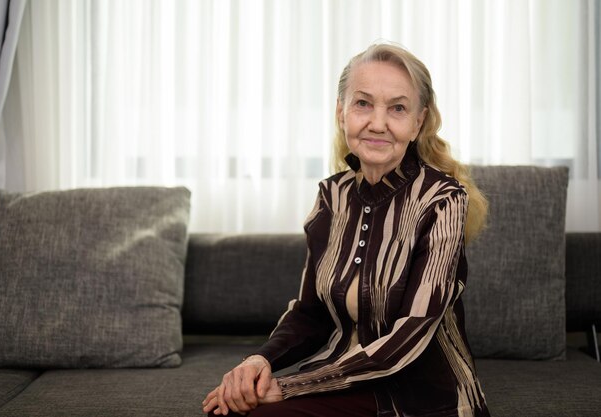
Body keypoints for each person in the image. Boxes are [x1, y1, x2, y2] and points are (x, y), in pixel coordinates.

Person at [202, 42, 490, 417]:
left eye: (398, 108)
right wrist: (258, 361)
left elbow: (411, 336)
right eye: (363, 103)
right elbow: (311, 313)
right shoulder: (331, 196)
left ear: (418, 122)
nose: (377, 122)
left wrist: (290, 387)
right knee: (227, 410)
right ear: (341, 112)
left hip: (420, 396)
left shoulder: (443, 200)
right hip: (343, 377)